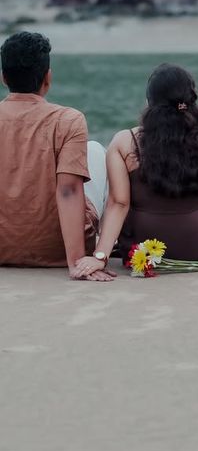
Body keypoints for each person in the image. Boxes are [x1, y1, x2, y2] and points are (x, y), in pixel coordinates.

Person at [74, 63, 198, 278]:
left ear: (148, 102)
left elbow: (119, 202)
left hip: (144, 248)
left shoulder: (126, 142)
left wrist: (100, 256)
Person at [0, 31, 113, 281]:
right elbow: (69, 190)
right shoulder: (68, 120)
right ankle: (103, 246)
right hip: (56, 250)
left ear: (4, 77)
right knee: (96, 150)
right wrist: (75, 263)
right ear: (47, 77)